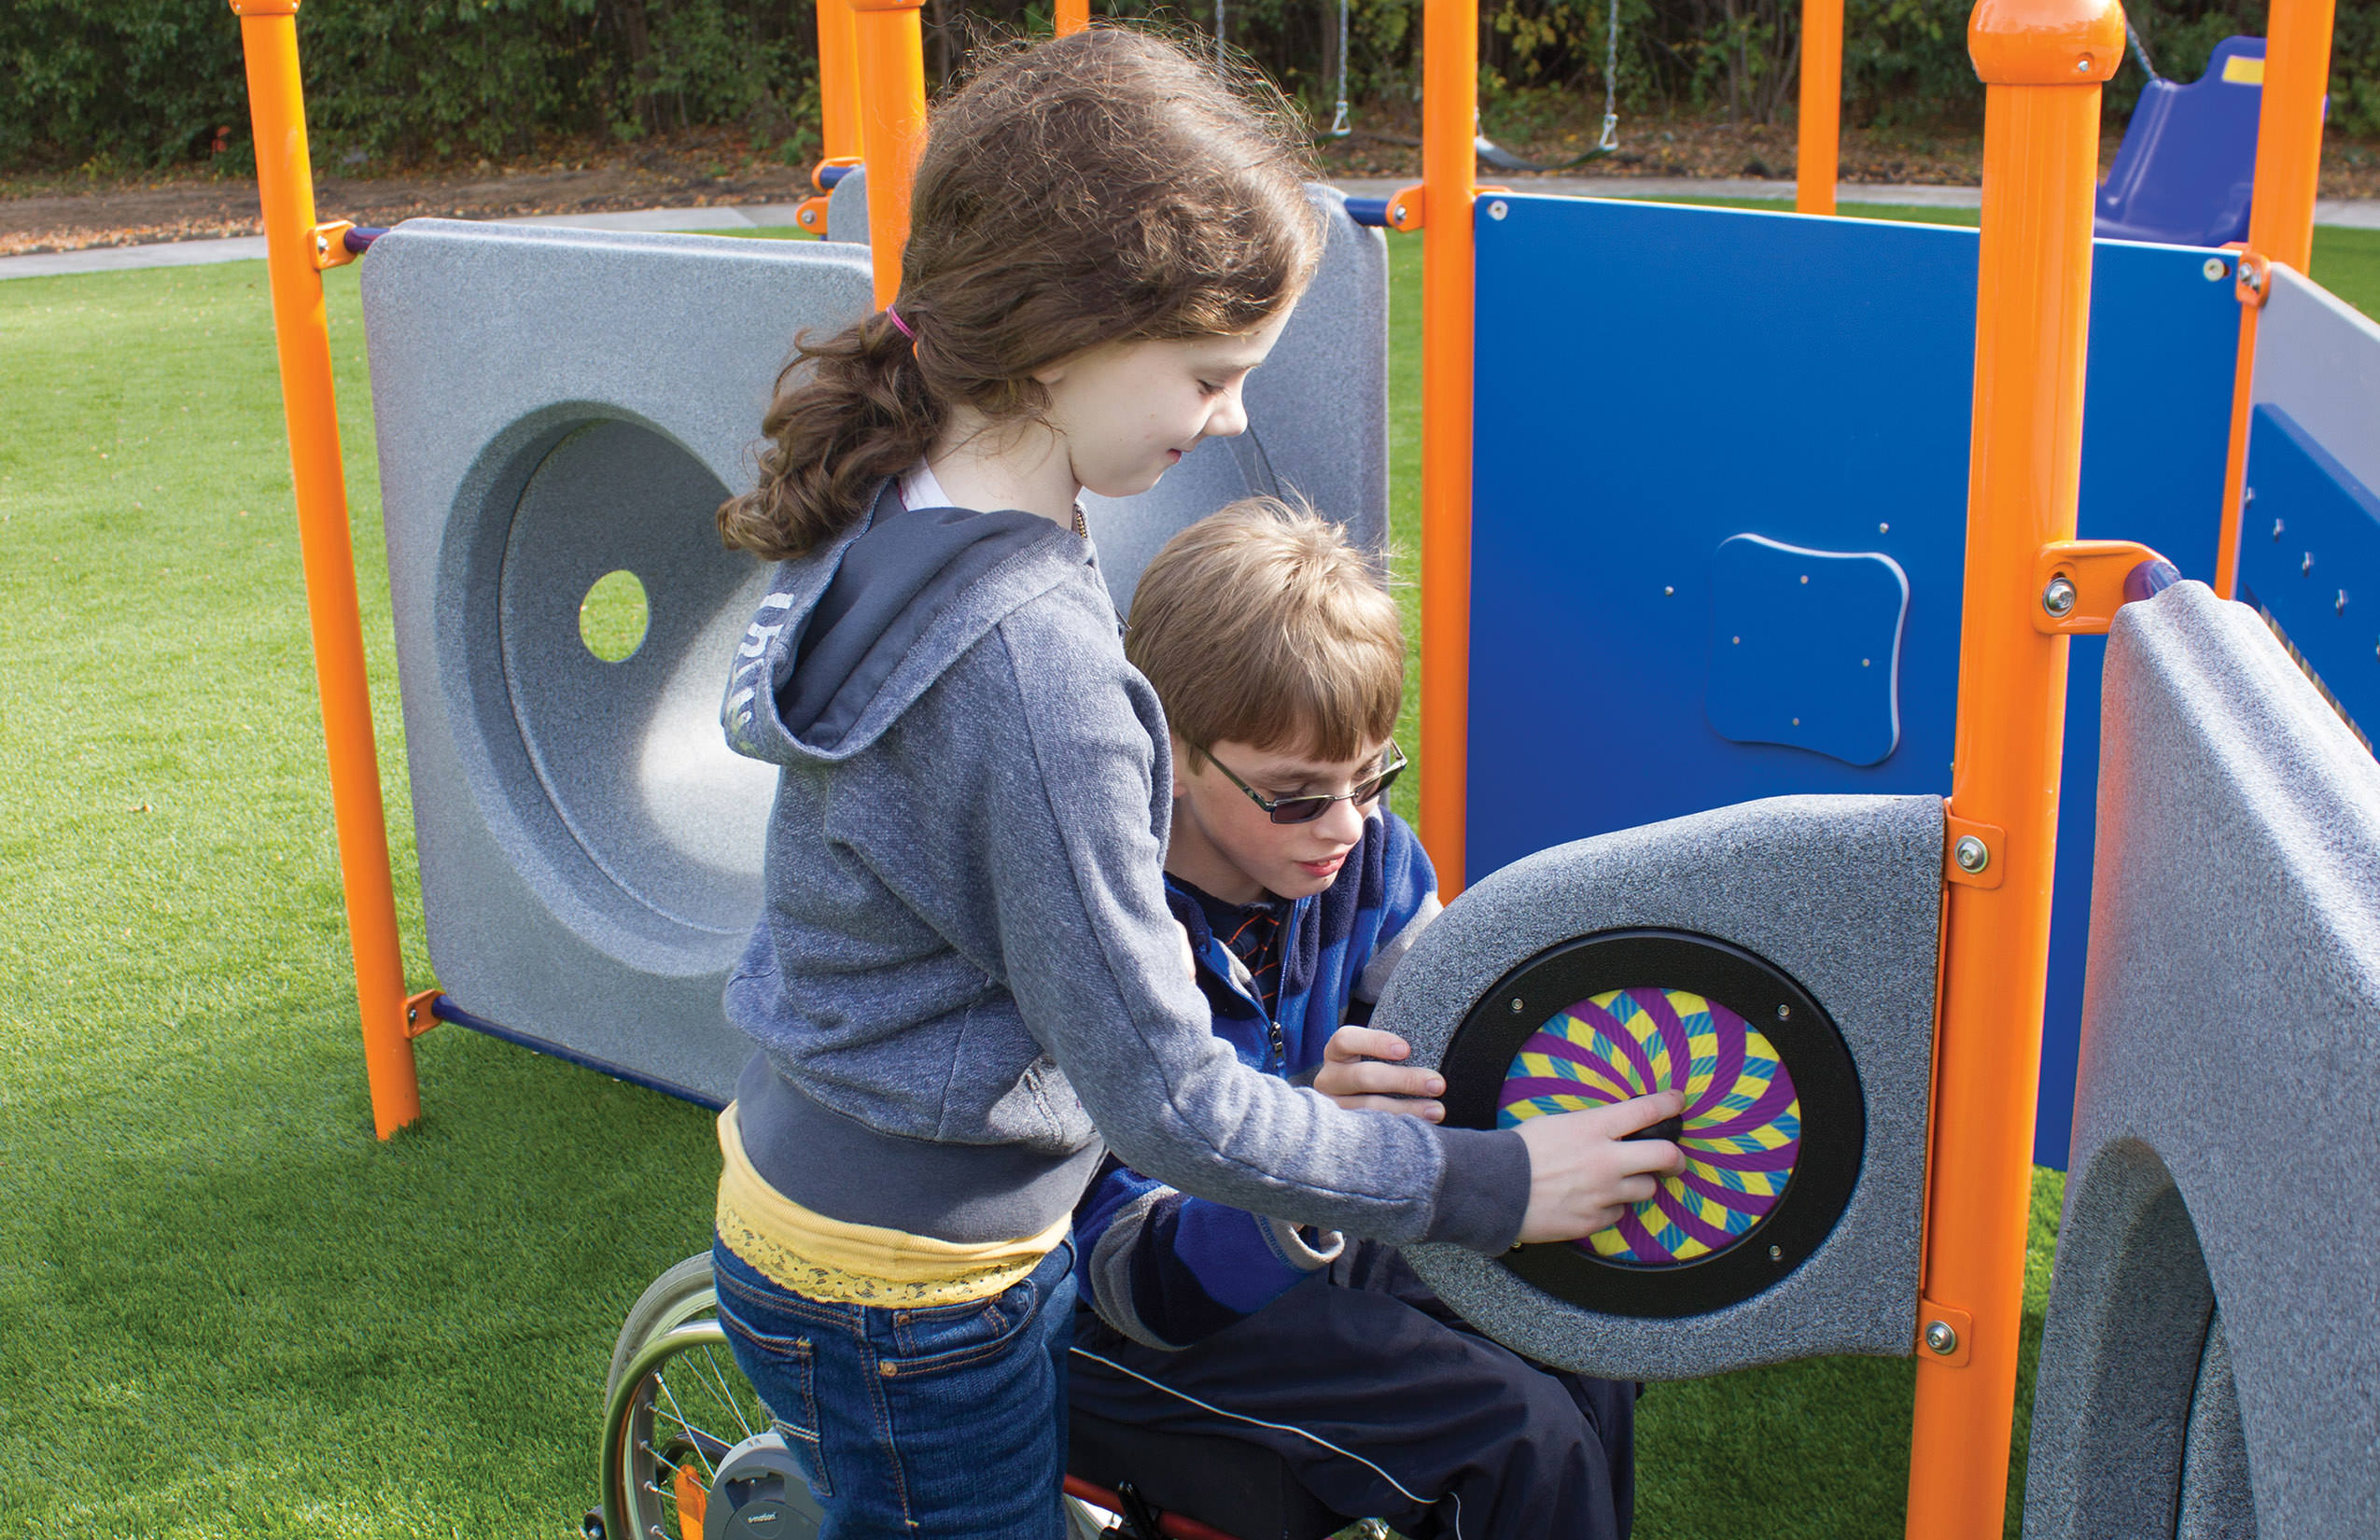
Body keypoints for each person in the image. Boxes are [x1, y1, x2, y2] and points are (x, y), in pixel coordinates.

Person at [706, 27, 1683, 1538]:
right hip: (916, 1287)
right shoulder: (1035, 659)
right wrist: (1489, 1183)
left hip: (840, 1217)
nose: (1228, 418)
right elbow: (1167, 1102)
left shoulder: (915, 509)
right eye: (1213, 371)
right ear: (1064, 333)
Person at [1071, 498, 1641, 1539]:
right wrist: (1313, 1156)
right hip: (1131, 1309)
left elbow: (1454, 1051)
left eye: (1372, 775)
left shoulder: (1367, 855)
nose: (1346, 827)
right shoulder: (1105, 919)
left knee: (1580, 1340)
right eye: (1296, 795)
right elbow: (1134, 1284)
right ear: (1174, 754)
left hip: (1323, 1228)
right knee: (1517, 1437)